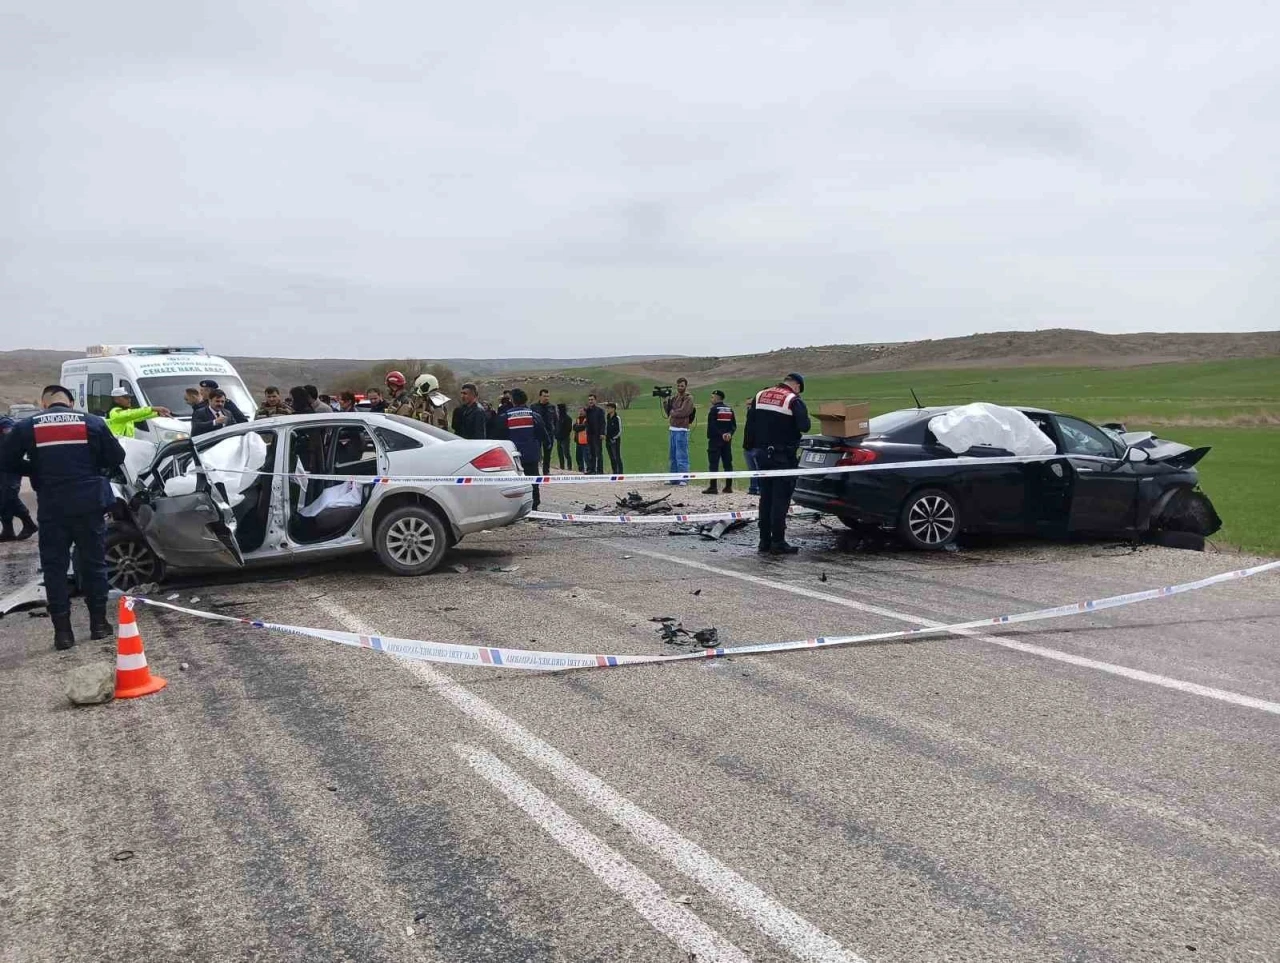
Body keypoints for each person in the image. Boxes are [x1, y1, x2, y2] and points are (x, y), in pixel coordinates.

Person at [0, 385, 126, 649]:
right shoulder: (92, 422)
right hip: (88, 505)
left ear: (44, 404)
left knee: (54, 568)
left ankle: (63, 634)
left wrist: (35, 469)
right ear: (70, 402)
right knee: (93, 565)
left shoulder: (28, 426)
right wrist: (91, 466)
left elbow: (6, 460)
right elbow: (117, 456)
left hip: (52, 506)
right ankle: (99, 625)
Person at [745, 373, 810, 556]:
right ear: (797, 386)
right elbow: (804, 426)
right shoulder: (792, 400)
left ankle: (764, 540)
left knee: (765, 498)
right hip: (783, 456)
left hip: (762, 455)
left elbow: (750, 423)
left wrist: (750, 447)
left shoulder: (760, 395)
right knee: (780, 499)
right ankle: (778, 542)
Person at [503, 389, 549, 508]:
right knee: (533, 482)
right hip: (531, 456)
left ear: (512, 400)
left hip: (513, 457)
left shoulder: (506, 416)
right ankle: (534, 507)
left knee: (513, 483)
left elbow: (499, 437)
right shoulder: (534, 415)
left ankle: (516, 507)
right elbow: (543, 435)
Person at [0, 417, 37, 542]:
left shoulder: (4, 422)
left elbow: (10, 443)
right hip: (2, 467)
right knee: (2, 498)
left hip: (10, 467)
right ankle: (8, 530)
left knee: (8, 497)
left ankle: (29, 523)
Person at [702, 390, 737, 494]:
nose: (711, 399)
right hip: (727, 440)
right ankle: (728, 486)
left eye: (712, 397)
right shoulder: (729, 409)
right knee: (727, 463)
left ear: (717, 398)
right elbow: (733, 425)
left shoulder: (714, 410)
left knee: (714, 463)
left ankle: (713, 487)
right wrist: (729, 433)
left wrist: (721, 434)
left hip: (715, 440)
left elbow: (712, 426)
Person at [106, 386, 171, 438]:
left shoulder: (124, 413)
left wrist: (157, 413)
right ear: (116, 399)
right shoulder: (114, 412)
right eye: (126, 397)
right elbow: (132, 414)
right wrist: (152, 408)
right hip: (117, 444)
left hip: (125, 444)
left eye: (129, 397)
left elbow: (139, 417)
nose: (129, 399)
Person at [663, 377, 694, 484]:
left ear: (685, 386)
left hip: (682, 429)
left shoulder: (688, 398)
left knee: (682, 455)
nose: (680, 387)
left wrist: (673, 412)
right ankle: (673, 478)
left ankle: (683, 478)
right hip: (672, 428)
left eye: (682, 386)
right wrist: (665, 401)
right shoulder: (675, 397)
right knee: (672, 456)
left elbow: (684, 412)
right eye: (678, 385)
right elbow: (668, 412)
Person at [532, 388, 557, 474]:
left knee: (547, 454)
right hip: (537, 433)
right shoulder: (534, 407)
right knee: (536, 453)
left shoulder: (552, 407)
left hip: (549, 433)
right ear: (540, 397)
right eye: (544, 396)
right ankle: (535, 471)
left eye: (548, 396)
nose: (546, 398)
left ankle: (546, 471)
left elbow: (555, 420)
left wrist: (555, 431)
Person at [742, 396, 761, 496]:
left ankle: (760, 489)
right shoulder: (749, 415)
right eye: (747, 405)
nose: (748, 406)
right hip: (747, 446)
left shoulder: (758, 415)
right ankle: (753, 488)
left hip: (756, 447)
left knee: (758, 469)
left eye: (750, 404)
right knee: (751, 469)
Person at [583, 393, 606, 474]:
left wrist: (602, 433)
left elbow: (603, 423)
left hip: (597, 435)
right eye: (589, 400)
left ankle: (600, 470)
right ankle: (592, 469)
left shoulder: (600, 411)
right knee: (591, 453)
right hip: (589, 434)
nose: (590, 401)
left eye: (592, 400)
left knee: (598, 453)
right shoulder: (587, 411)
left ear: (595, 400)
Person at [605, 402, 623, 473]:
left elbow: (620, 430)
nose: (607, 409)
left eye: (609, 408)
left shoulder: (617, 418)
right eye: (607, 408)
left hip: (615, 441)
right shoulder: (607, 418)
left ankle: (620, 473)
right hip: (607, 440)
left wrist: (614, 438)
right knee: (611, 457)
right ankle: (614, 472)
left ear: (613, 409)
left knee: (617, 457)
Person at [555, 402, 572, 470]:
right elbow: (556, 427)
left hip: (565, 438)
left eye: (558, 409)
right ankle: (562, 466)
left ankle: (569, 467)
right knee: (560, 453)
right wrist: (556, 434)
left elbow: (569, 429)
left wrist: (561, 435)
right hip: (558, 438)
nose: (557, 411)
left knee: (566, 453)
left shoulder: (568, 418)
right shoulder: (558, 418)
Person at [573, 408, 589, 473]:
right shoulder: (577, 419)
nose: (580, 412)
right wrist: (577, 427)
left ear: (585, 412)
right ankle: (581, 469)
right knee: (578, 457)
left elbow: (583, 427)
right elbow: (574, 427)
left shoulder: (587, 419)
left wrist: (577, 427)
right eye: (579, 411)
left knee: (586, 457)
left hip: (585, 441)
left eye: (582, 411)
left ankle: (589, 469)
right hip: (578, 441)